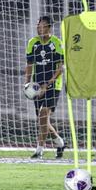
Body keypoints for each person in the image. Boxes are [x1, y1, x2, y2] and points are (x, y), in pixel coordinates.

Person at [24, 16, 66, 159]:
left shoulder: (56, 43)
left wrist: (47, 85)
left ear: (49, 27)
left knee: (43, 114)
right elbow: (29, 65)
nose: (39, 28)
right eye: (38, 25)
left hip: (54, 85)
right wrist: (27, 83)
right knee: (43, 120)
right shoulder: (32, 43)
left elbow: (61, 68)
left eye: (42, 26)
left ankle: (39, 150)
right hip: (36, 85)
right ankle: (59, 142)